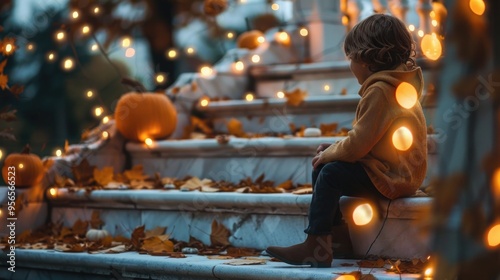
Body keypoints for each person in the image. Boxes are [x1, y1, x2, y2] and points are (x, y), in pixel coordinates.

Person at [265, 14, 428, 267]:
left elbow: (358, 144)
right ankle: (338, 241)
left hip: (391, 178)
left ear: (367, 59)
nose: (351, 66)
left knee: (329, 172)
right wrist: (333, 150)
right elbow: (369, 141)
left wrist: (331, 154)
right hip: (397, 172)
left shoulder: (380, 91)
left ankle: (316, 243)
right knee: (327, 165)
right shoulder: (400, 87)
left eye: (352, 58)